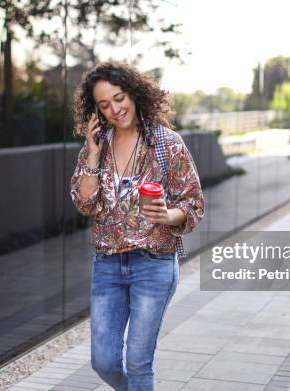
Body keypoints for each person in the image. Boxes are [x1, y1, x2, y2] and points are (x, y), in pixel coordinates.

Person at [70, 62, 205, 391]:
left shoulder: (164, 143)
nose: (115, 109)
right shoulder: (97, 147)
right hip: (108, 264)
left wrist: (168, 215)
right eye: (104, 104)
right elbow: (85, 204)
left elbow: (194, 203)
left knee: (139, 362)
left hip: (153, 264)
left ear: (133, 93)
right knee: (103, 361)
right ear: (95, 111)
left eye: (119, 98)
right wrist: (90, 156)